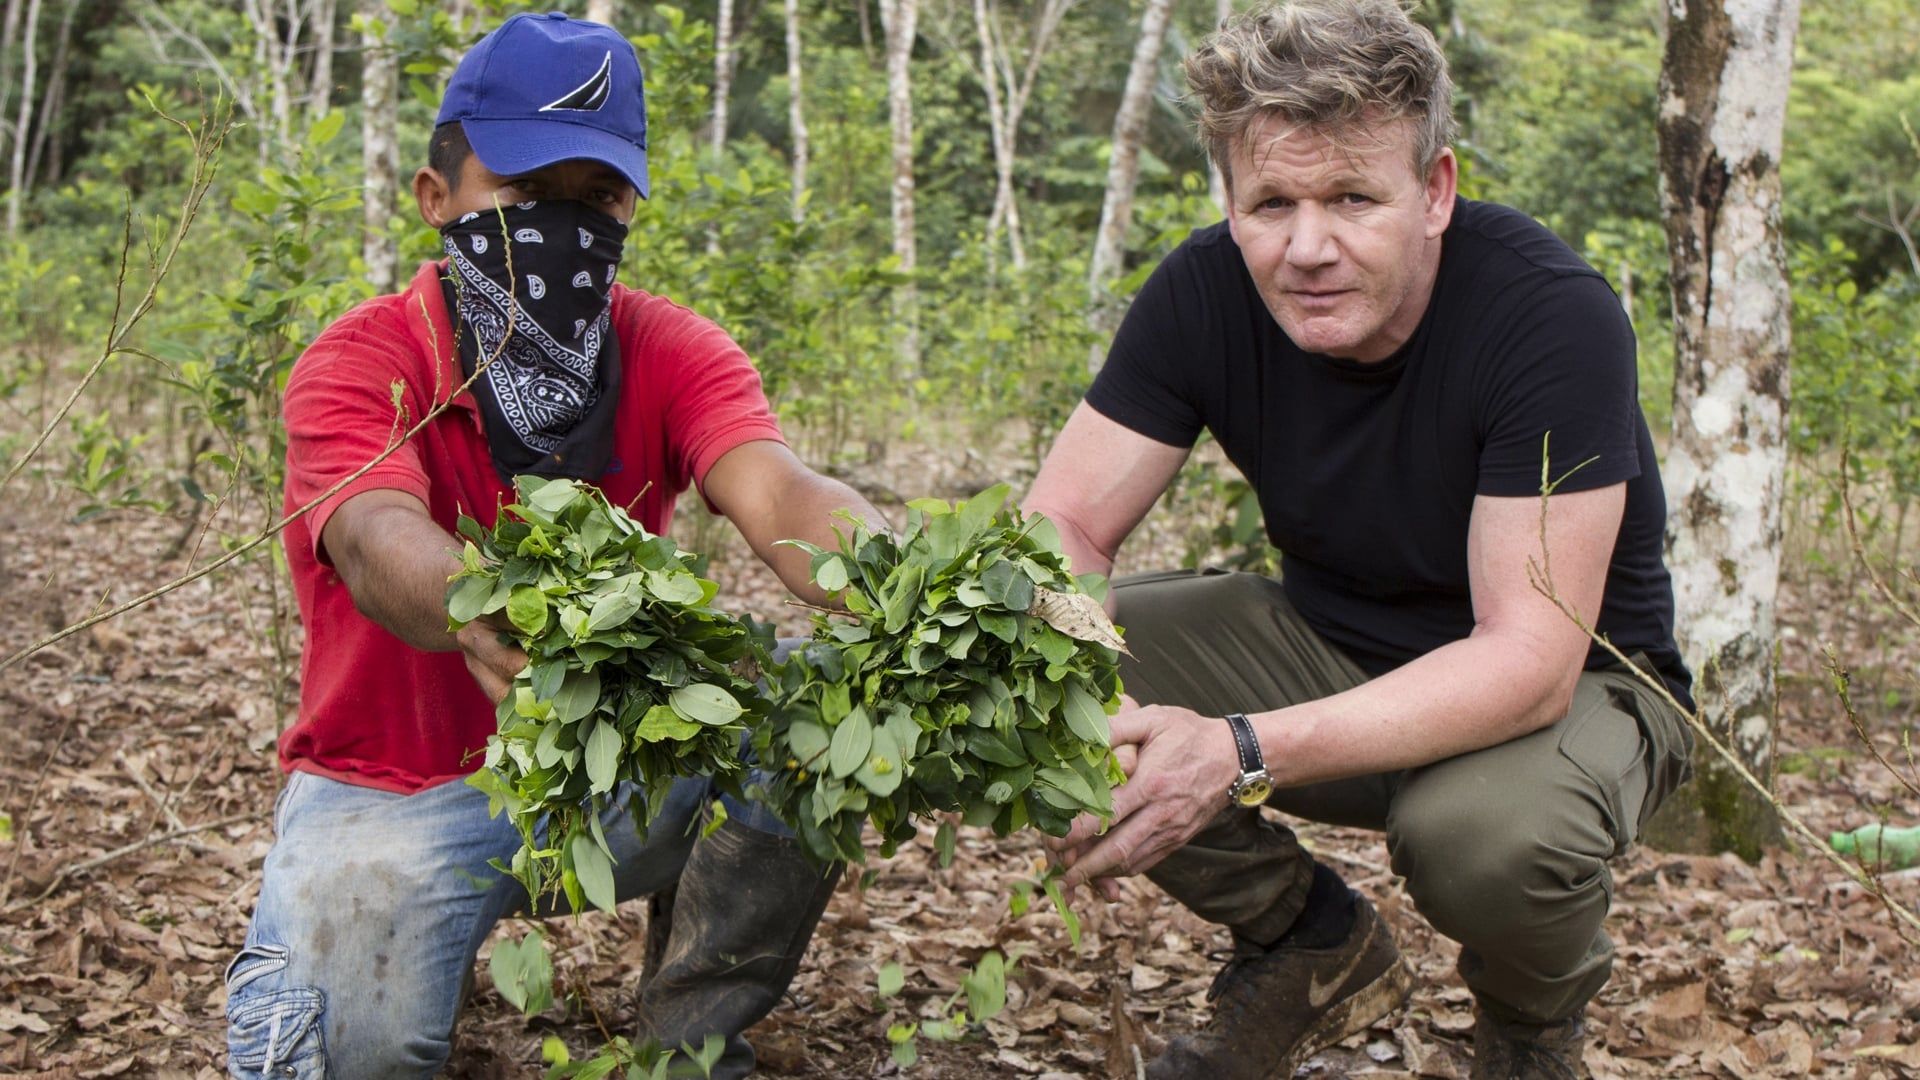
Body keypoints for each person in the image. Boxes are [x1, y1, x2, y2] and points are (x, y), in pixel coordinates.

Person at [1026, 3, 1694, 1078]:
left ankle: (1529, 1029)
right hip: (1327, 639)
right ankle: (1306, 940)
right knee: (1015, 669)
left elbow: (1526, 658)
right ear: (1229, 200)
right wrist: (1075, 680)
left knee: (1482, 841)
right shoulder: (1204, 290)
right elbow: (1065, 519)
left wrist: (1235, 750)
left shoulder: (1548, 315)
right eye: (1271, 203)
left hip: (1577, 688)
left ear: (1435, 192)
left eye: (1351, 198)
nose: (1307, 249)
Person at [222, 14, 880, 1078]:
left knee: (808, 719)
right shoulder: (363, 361)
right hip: (397, 787)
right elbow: (374, 533)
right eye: (524, 198)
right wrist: (486, 605)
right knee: (346, 1057)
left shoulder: (663, 346)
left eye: (596, 201)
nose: (562, 231)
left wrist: (896, 581)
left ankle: (690, 1044)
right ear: (438, 200)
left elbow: (775, 487)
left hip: (615, 765)